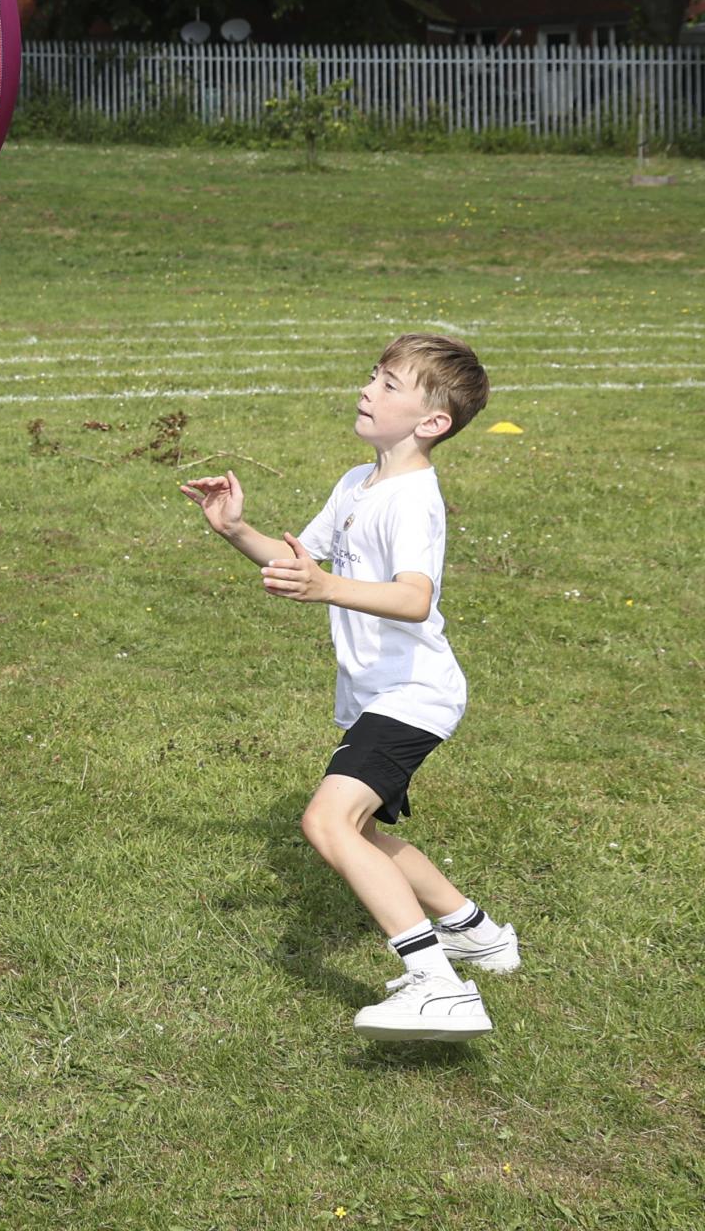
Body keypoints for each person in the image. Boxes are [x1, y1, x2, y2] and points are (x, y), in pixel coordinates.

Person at [181, 334, 517, 1041]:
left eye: (391, 385)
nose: (369, 390)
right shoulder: (356, 484)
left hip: (415, 694)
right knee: (359, 829)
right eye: (373, 376)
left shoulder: (413, 500)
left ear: (432, 423)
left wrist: (326, 586)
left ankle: (437, 986)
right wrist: (237, 529)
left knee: (328, 823)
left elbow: (414, 598)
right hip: (381, 695)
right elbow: (300, 559)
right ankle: (477, 933)